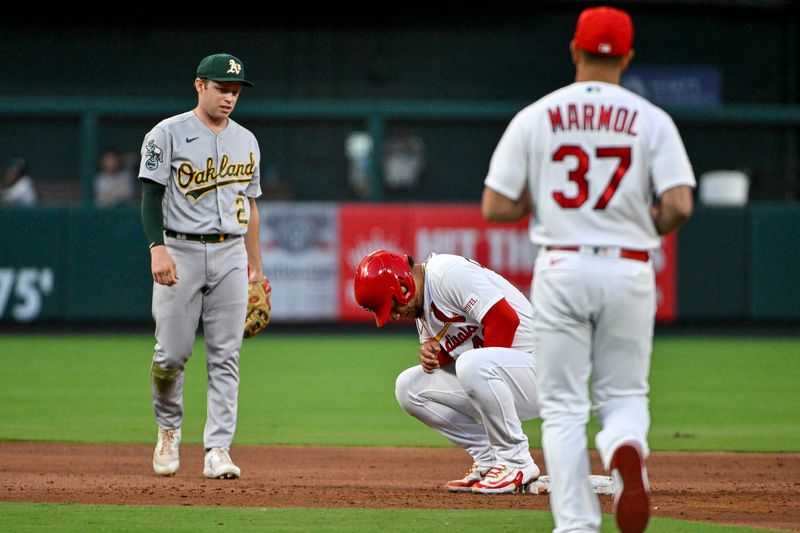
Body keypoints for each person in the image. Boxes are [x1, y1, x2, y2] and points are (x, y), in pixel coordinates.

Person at [481, 6, 694, 532]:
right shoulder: (651, 119)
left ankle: (577, 524)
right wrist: (650, 219)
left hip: (563, 265)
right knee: (623, 395)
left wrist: (551, 203)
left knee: (564, 407)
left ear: (574, 50)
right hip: (628, 267)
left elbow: (496, 206)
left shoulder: (537, 115)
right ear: (627, 57)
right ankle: (624, 446)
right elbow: (680, 205)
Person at [138, 53, 269, 479]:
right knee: (171, 355)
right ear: (200, 85)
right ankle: (168, 428)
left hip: (231, 252)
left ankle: (218, 449)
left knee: (226, 356)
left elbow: (249, 204)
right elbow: (150, 197)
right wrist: (157, 247)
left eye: (235, 91)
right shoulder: (167, 133)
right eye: (222, 88)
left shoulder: (247, 140)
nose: (230, 97)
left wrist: (256, 269)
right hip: (181, 249)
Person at [353, 249, 541, 494]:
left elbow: (504, 320)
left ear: (403, 286)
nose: (395, 316)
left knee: (472, 364)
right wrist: (434, 355)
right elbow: (456, 348)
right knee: (408, 387)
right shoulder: (422, 309)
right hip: (507, 378)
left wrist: (483, 378)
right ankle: (489, 458)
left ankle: (515, 460)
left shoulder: (447, 274)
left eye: (392, 306)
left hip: (541, 372)